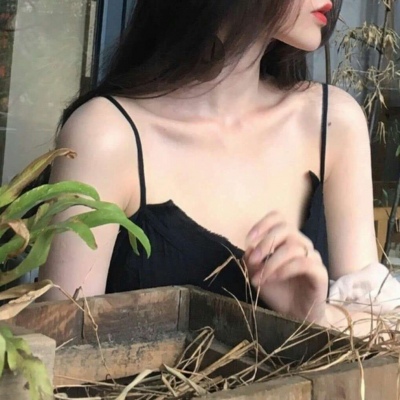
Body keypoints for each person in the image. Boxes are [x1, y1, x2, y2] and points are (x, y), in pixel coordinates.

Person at [40, 0, 395, 331]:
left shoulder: (331, 122)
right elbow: (60, 347)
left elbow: (386, 327)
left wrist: (314, 318)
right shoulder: (106, 136)